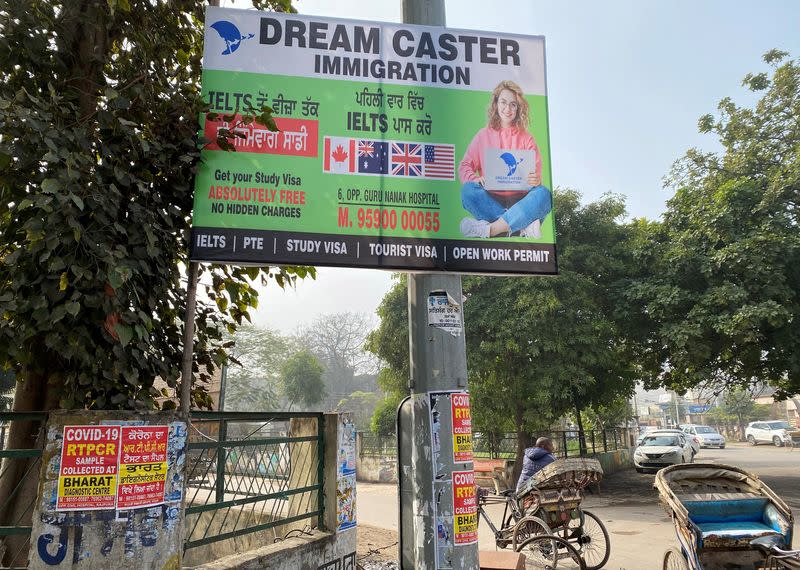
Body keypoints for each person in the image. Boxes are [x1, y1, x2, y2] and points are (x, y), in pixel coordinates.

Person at [458, 80, 552, 239]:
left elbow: (535, 177)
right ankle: (521, 227)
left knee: (544, 194)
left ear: (518, 108)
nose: (507, 109)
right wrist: (476, 179)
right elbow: (464, 165)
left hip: (522, 199)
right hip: (490, 198)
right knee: (468, 191)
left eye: (513, 104)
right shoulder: (483, 135)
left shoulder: (527, 139)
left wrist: (536, 180)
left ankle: (491, 230)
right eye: (503, 102)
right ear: (496, 103)